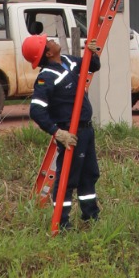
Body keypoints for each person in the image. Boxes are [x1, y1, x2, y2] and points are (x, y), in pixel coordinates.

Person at [23, 33, 102, 228]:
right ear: (48, 53)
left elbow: (92, 66)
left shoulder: (68, 61)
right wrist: (58, 133)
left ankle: (90, 217)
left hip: (86, 131)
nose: (52, 40)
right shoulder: (47, 77)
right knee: (68, 178)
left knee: (89, 174)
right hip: (71, 135)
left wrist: (92, 54)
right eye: (47, 42)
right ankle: (62, 222)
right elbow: (36, 110)